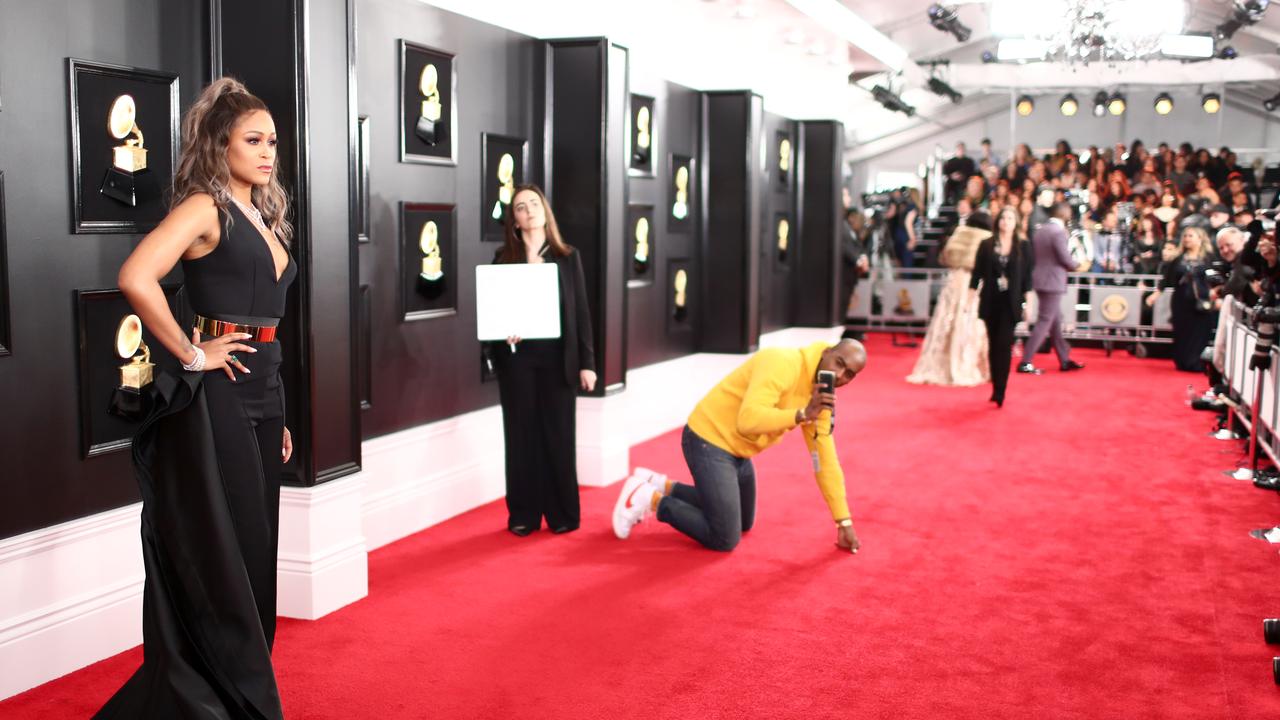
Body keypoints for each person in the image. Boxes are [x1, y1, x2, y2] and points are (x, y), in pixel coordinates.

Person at [97, 78, 295, 719]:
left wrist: (281, 408)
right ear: (221, 144)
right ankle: (220, 697)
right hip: (220, 397)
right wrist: (189, 352)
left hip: (265, 392)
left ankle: (245, 683)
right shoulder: (205, 209)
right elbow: (135, 276)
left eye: (272, 141)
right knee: (228, 545)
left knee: (257, 542)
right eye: (253, 140)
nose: (268, 152)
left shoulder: (266, 214)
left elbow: (268, 320)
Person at [610, 340, 868, 554]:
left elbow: (824, 459)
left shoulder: (820, 398)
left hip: (739, 452)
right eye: (839, 363)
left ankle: (661, 484)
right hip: (708, 439)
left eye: (850, 374)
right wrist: (801, 414)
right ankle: (648, 498)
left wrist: (842, 520)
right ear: (826, 353)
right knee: (724, 537)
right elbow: (748, 420)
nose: (840, 375)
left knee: (743, 521)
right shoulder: (781, 362)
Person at [490, 184, 597, 536]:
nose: (529, 210)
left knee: (559, 436)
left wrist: (588, 363)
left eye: (534, 204)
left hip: (559, 359)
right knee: (520, 437)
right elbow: (495, 316)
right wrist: (503, 330)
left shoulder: (567, 257)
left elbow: (581, 312)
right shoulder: (502, 259)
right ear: (515, 221)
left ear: (544, 211)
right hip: (517, 360)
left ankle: (563, 514)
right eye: (521, 207)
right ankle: (523, 515)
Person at [906, 214, 991, 387]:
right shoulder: (986, 238)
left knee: (944, 322)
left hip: (953, 281)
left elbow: (944, 258)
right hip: (973, 282)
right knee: (969, 322)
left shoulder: (958, 233)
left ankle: (939, 363)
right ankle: (965, 363)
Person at [971, 206, 1035, 407]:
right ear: (997, 221)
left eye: (1010, 218)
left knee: (1004, 344)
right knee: (992, 344)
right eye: (1003, 218)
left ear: (1015, 222)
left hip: (1011, 301)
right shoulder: (986, 245)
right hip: (991, 299)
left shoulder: (1023, 247)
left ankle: (1001, 390)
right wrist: (968, 299)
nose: (1006, 221)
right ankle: (995, 385)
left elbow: (1027, 280)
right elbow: (976, 275)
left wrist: (1029, 305)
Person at [1018, 201, 1085, 375]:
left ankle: (1064, 359)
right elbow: (1064, 258)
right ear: (1064, 213)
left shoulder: (1041, 230)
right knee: (1045, 321)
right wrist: (1078, 264)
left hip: (1041, 279)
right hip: (1053, 281)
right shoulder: (1058, 232)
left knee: (1055, 321)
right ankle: (1026, 361)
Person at [1145, 225, 1216, 372]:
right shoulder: (1178, 259)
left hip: (1202, 302)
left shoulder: (1209, 258)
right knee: (1182, 331)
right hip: (1181, 302)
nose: (1187, 239)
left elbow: (1216, 279)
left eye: (1191, 236)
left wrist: (1215, 293)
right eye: (1185, 236)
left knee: (1200, 332)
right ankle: (1182, 361)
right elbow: (1167, 279)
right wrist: (1155, 295)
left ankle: (1196, 362)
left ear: (1200, 238)